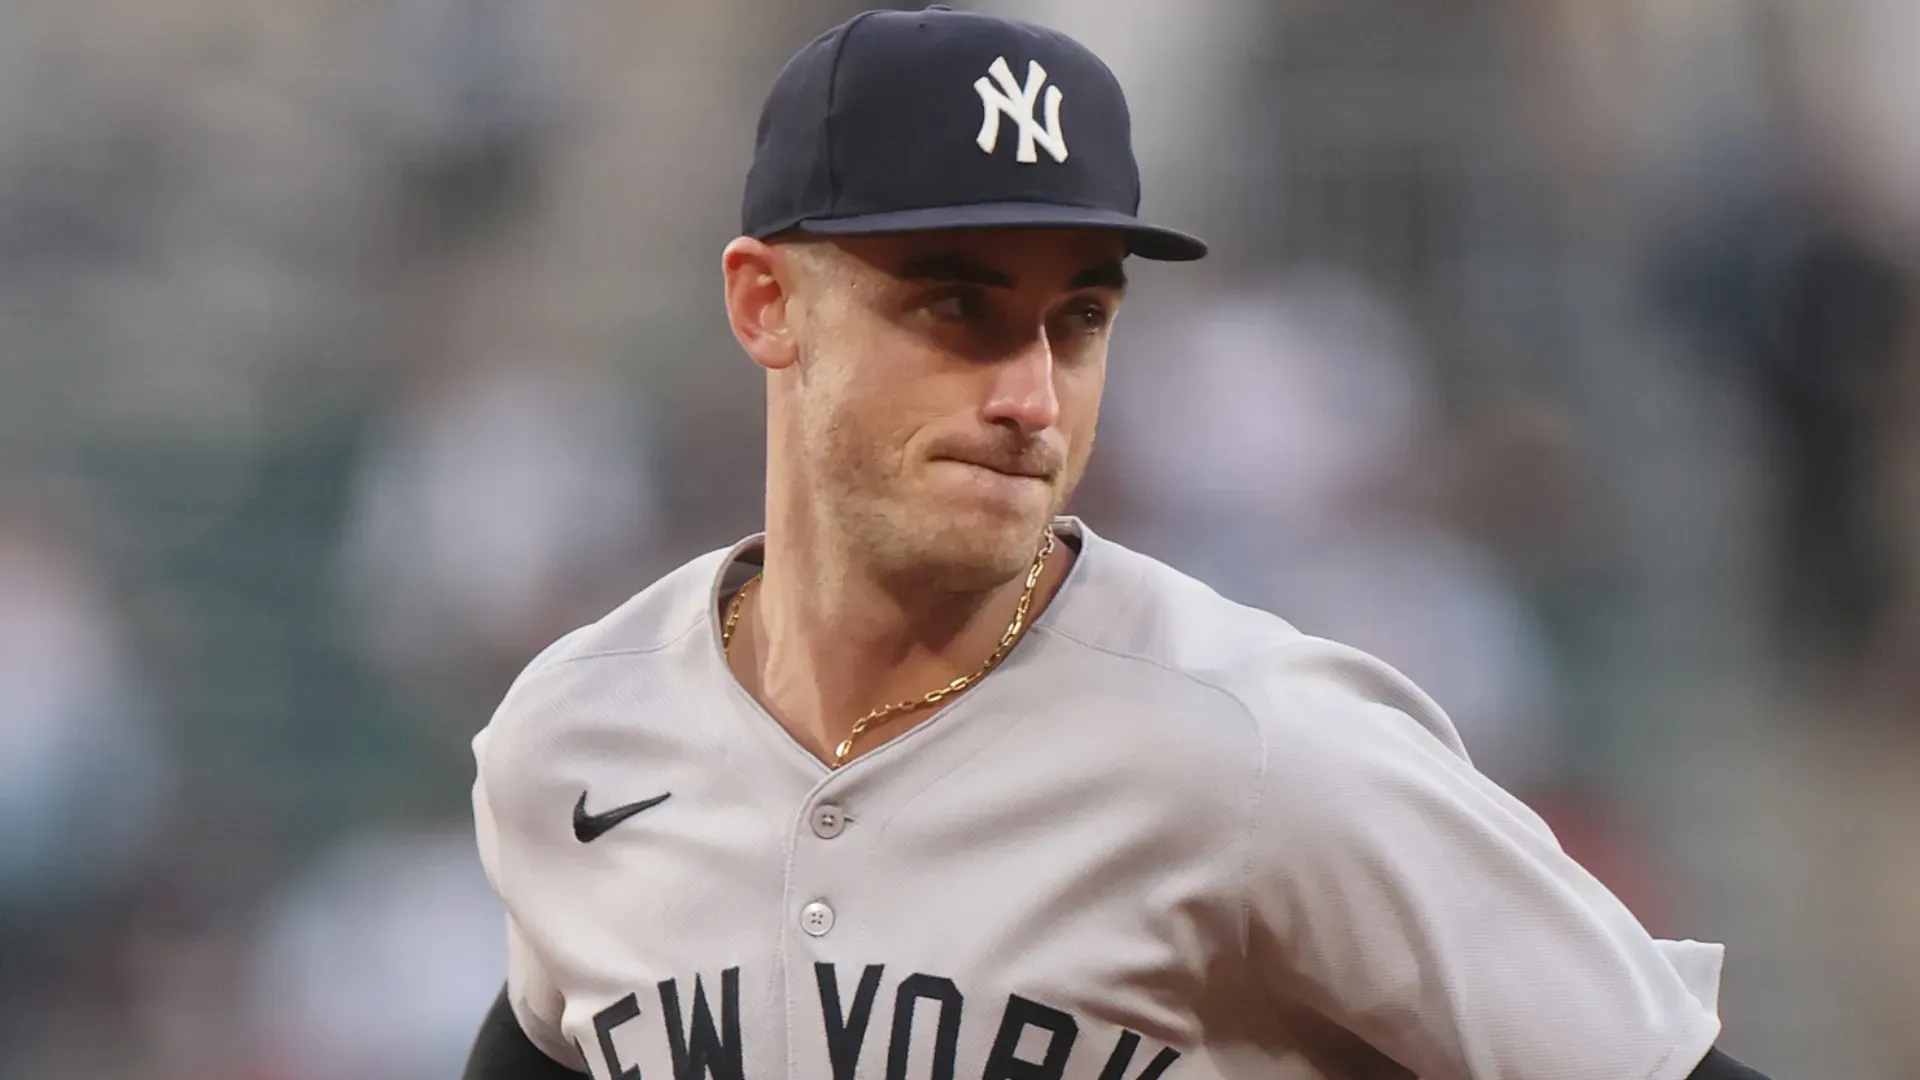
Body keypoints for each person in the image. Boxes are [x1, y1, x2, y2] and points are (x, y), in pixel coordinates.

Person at [463, 8, 1773, 1079]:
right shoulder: (574, 740)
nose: (1031, 393)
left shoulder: (1264, 746)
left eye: (1077, 317)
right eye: (956, 307)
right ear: (765, 303)